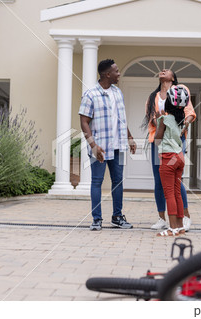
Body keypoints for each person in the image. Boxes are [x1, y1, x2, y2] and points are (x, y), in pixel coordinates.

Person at [79, 59, 137, 231]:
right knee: (96, 182)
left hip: (118, 145)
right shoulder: (91, 94)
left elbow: (121, 120)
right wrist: (93, 145)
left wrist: (130, 137)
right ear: (107, 74)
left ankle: (117, 217)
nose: (119, 74)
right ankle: (96, 219)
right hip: (100, 147)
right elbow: (84, 121)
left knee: (118, 181)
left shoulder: (118, 93)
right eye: (116, 71)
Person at [144, 69, 196, 232]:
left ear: (172, 77)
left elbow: (189, 112)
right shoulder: (153, 97)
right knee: (159, 180)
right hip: (158, 141)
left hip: (176, 140)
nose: (162, 71)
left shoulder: (181, 89)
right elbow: (150, 117)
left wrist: (184, 124)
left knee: (175, 180)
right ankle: (162, 218)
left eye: (167, 71)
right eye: (161, 70)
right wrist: (160, 121)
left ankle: (185, 217)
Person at [154, 85, 189, 236]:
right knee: (177, 193)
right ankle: (180, 227)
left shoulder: (165, 119)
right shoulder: (182, 120)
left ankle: (172, 228)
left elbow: (157, 140)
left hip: (169, 158)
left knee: (169, 193)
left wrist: (158, 121)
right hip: (179, 157)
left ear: (168, 103)